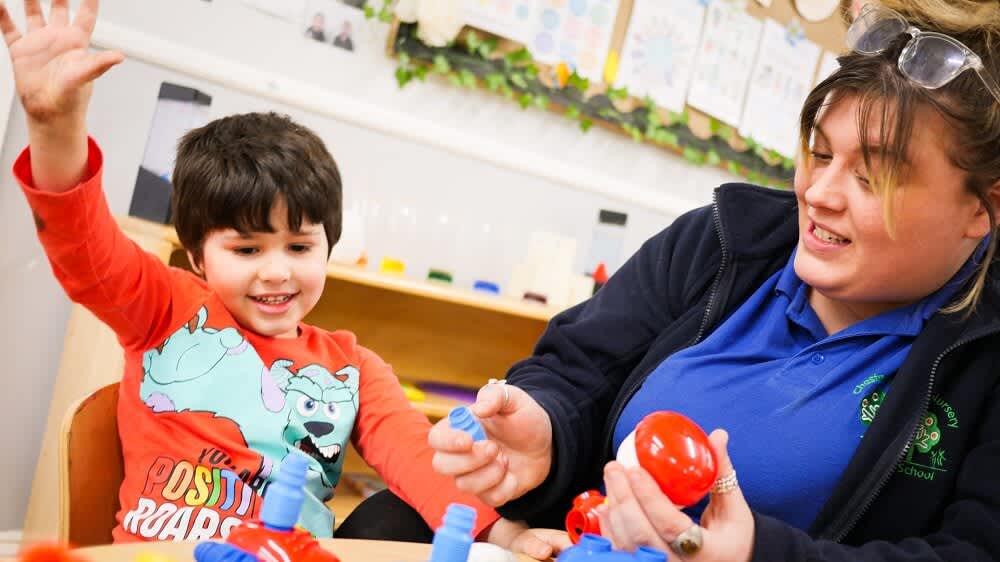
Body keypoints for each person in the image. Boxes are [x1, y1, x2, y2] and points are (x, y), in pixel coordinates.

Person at [428, 0, 1000, 560]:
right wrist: (549, 432)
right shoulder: (723, 242)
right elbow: (575, 370)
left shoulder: (984, 358)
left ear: (984, 207)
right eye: (820, 155)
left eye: (872, 179)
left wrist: (757, 553)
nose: (820, 194)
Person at [0, 0, 560, 557]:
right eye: (246, 248)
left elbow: (420, 459)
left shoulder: (354, 371)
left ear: (328, 247)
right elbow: (83, 245)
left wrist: (506, 535)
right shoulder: (164, 309)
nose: (277, 270)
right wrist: (55, 124)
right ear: (196, 256)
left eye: (299, 245)